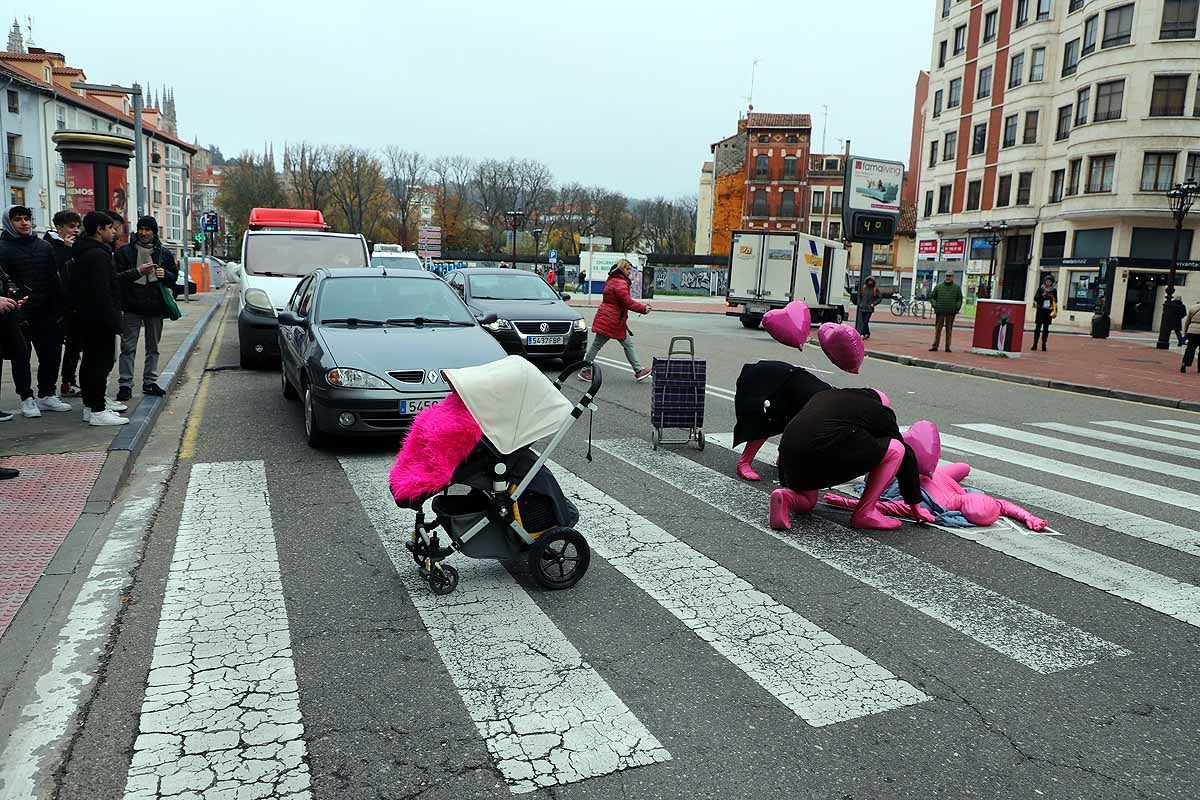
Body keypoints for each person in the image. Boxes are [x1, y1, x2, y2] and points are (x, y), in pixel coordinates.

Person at [771, 387, 928, 531]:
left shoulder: (825, 395)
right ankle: (865, 512)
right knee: (896, 449)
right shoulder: (879, 410)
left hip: (790, 454)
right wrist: (915, 506)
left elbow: (800, 428)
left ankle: (785, 496)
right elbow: (906, 454)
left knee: (807, 502)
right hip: (824, 449)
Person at [0, 205, 73, 417]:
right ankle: (26, 397)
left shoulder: (43, 246)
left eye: (27, 218)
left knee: (51, 355)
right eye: (18, 219)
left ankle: (47, 394)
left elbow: (54, 277)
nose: (24, 223)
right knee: (21, 357)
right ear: (8, 223)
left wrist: (60, 308)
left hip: (47, 311)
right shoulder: (2, 248)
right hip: (18, 313)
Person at [67, 211, 128, 426]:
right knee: (99, 364)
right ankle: (98, 409)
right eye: (110, 228)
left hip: (87, 317)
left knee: (90, 363)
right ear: (99, 230)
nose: (114, 232)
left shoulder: (85, 251)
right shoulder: (98, 255)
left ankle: (90, 405)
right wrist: (114, 320)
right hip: (99, 319)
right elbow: (103, 291)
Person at [732, 361, 832, 481]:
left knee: (793, 423)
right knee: (765, 421)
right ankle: (744, 462)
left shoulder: (829, 409)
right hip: (765, 379)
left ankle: (784, 459)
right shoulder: (823, 408)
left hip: (792, 390)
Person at [114, 216, 178, 400]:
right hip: (131, 305)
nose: (143, 233)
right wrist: (137, 272)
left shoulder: (164, 253)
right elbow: (117, 278)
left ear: (154, 232)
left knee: (153, 347)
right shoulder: (124, 252)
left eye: (148, 229)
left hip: (155, 306)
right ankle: (125, 385)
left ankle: (150, 382)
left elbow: (173, 276)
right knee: (128, 347)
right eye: (141, 229)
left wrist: (165, 274)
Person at [578, 260, 652, 383]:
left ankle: (638, 371)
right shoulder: (620, 283)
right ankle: (585, 370)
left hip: (610, 318)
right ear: (622, 269)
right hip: (613, 320)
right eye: (628, 269)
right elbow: (627, 302)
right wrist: (643, 309)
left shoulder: (612, 280)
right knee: (607, 345)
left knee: (621, 345)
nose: (630, 272)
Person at [46, 211, 83, 396]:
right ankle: (48, 391)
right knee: (52, 351)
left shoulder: (78, 246)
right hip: (55, 307)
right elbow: (53, 271)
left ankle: (68, 383)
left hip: (74, 306)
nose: (76, 230)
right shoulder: (48, 245)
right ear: (59, 228)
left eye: (78, 226)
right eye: (71, 226)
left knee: (74, 347)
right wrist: (67, 249)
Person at [928, 272, 963, 353]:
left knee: (949, 330)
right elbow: (932, 297)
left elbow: (959, 299)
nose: (948, 277)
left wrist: (957, 307)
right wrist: (935, 305)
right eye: (947, 276)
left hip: (951, 312)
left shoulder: (957, 288)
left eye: (950, 276)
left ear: (952, 277)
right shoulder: (938, 287)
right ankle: (935, 346)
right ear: (945, 277)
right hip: (940, 312)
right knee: (938, 330)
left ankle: (947, 347)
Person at [1030, 275, 1058, 352]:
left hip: (1048, 311)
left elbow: (1056, 301)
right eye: (1047, 281)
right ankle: (1035, 344)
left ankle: (1044, 344)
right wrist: (1043, 295)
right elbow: (1036, 298)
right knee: (1037, 328)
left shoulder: (1054, 290)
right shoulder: (1041, 288)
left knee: (1046, 328)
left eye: (1050, 282)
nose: (1048, 283)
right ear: (1045, 281)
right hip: (1040, 310)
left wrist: (1051, 297)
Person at [1181, 301, 1200, 373]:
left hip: (1192, 330)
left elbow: (1187, 321)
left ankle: (1184, 363)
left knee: (1190, 348)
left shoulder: (1193, 308)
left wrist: (1185, 333)